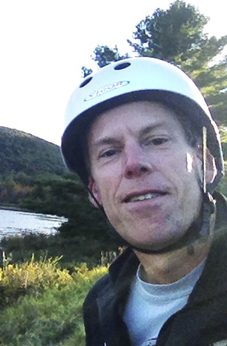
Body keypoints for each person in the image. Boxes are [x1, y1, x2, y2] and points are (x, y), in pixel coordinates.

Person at [60, 57, 227, 346]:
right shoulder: (100, 305)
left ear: (206, 163)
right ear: (95, 191)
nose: (134, 164)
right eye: (109, 152)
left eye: (157, 140)